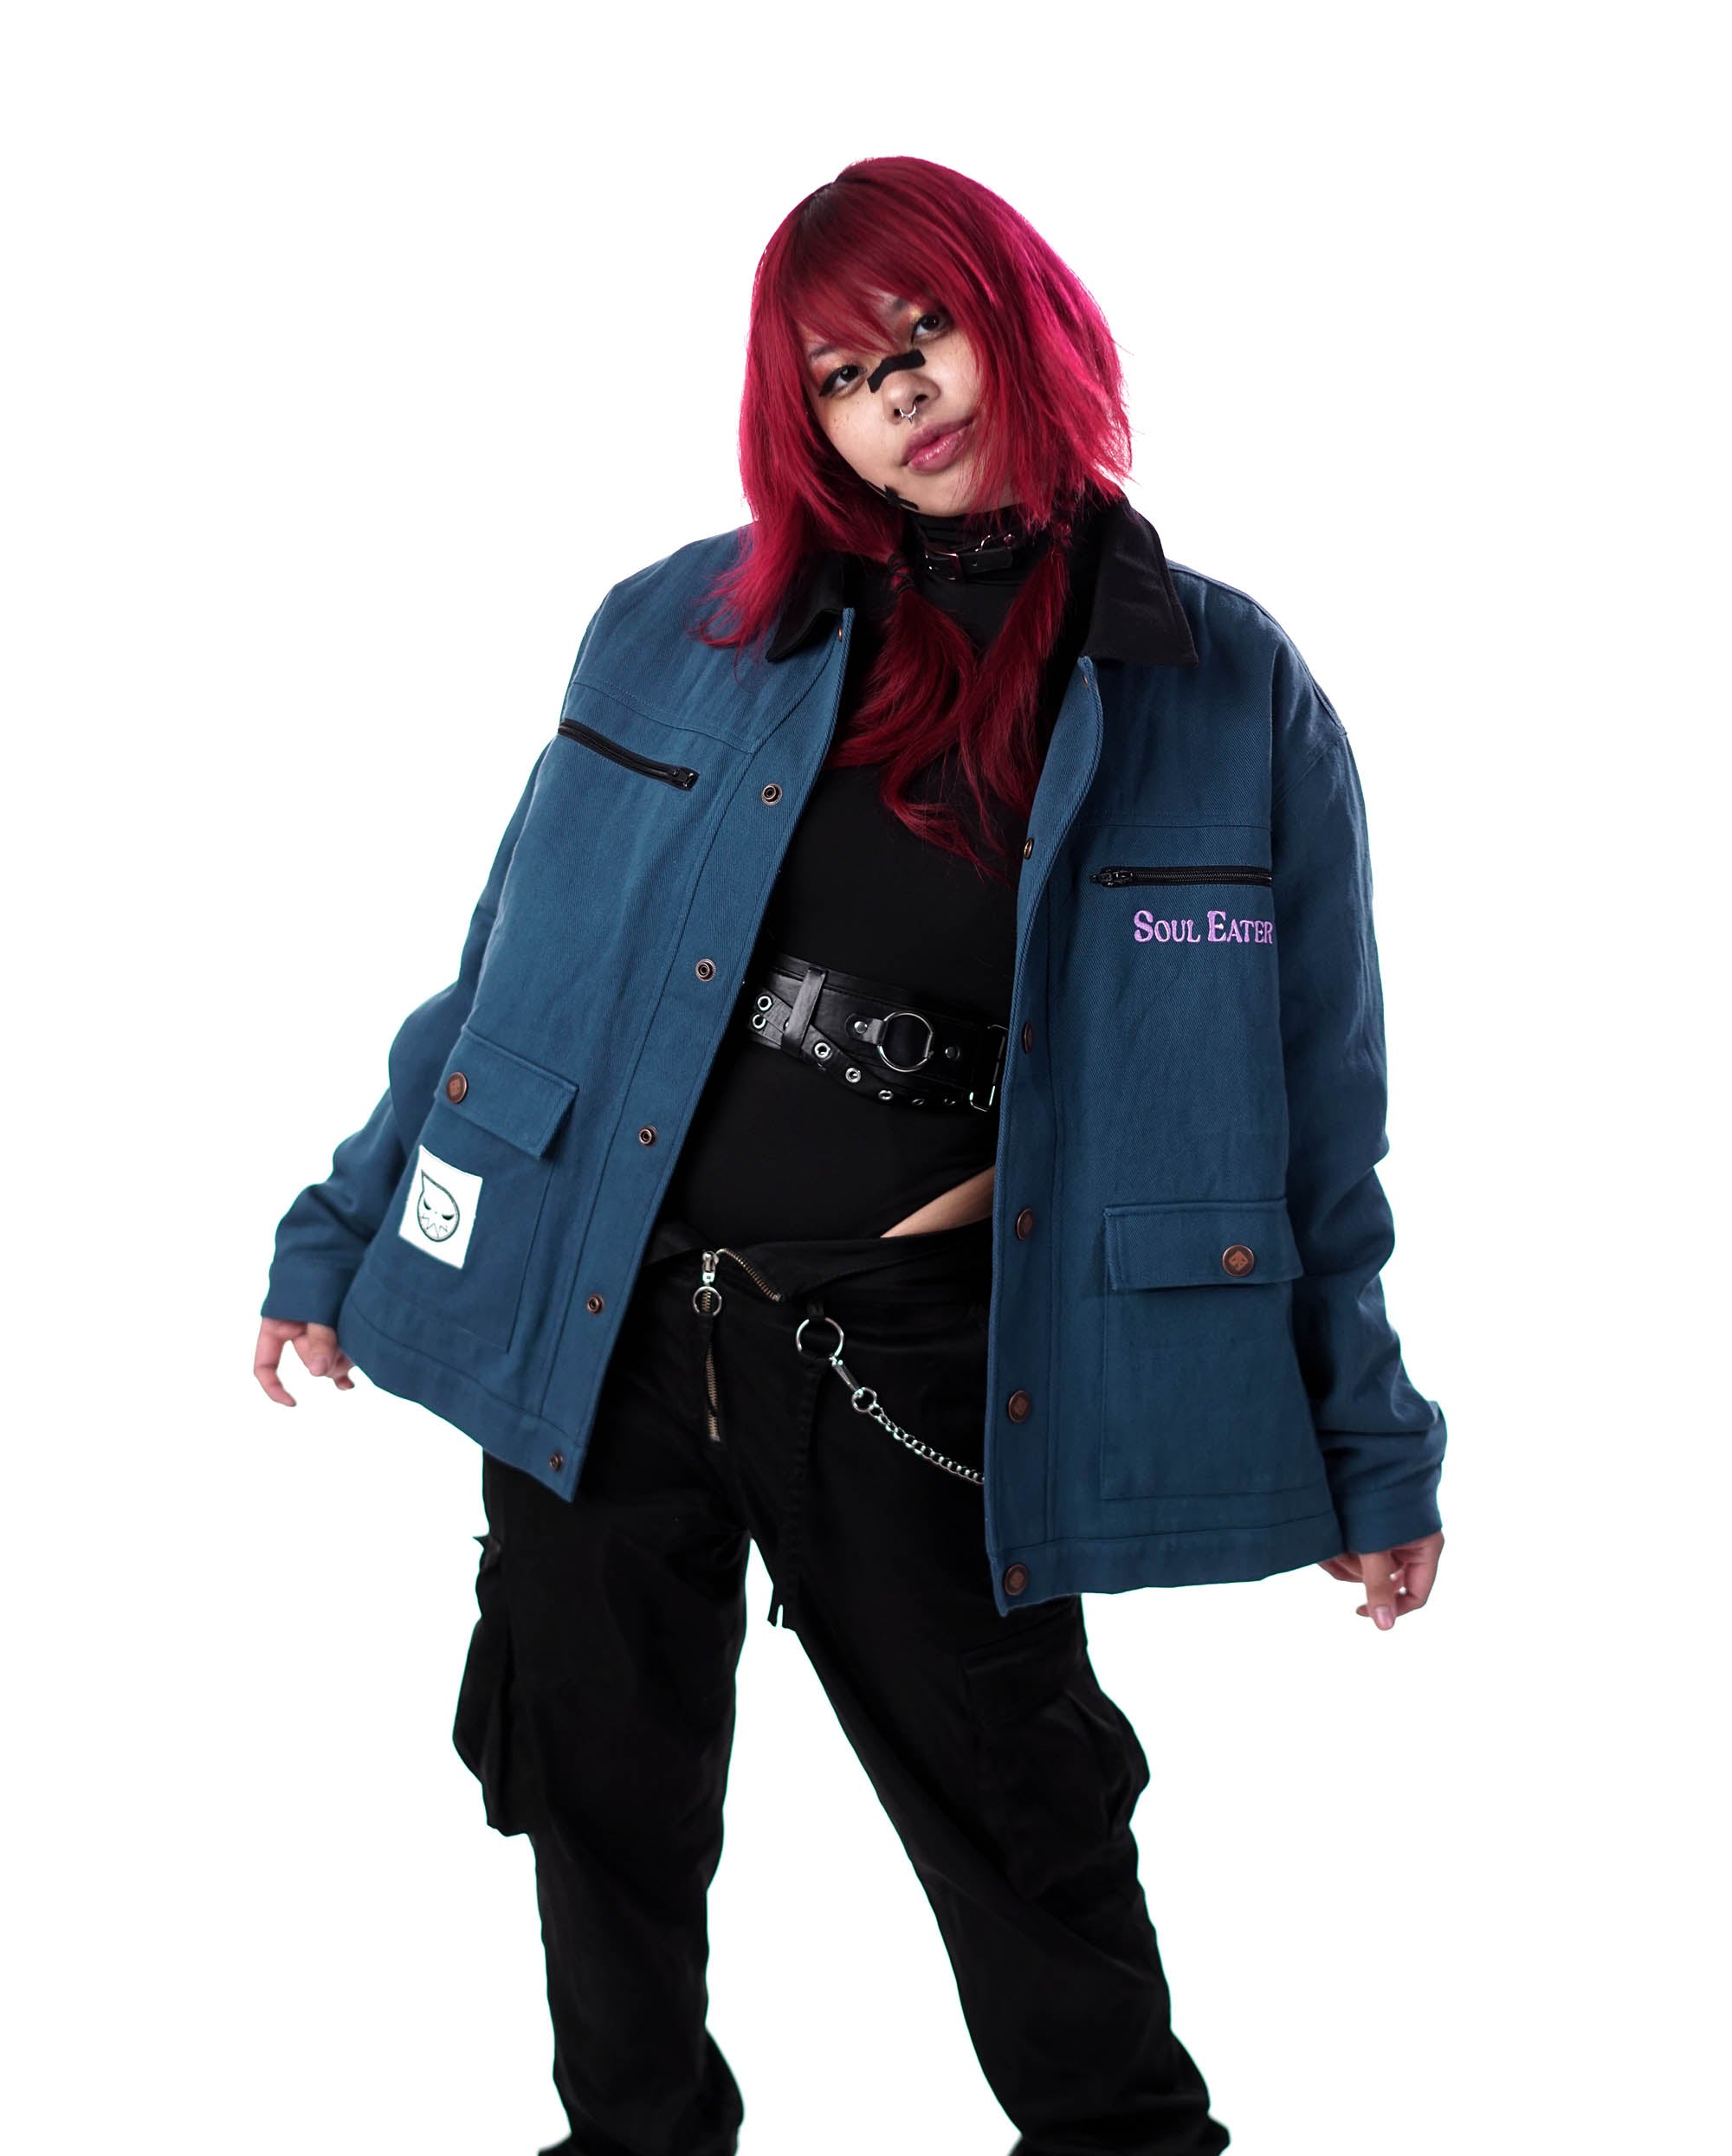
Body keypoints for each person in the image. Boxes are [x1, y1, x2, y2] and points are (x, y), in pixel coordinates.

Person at [254, 154, 1446, 2156]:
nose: (897, 393)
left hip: (908, 1362)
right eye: (837, 375)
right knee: (596, 1804)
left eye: (922, 332)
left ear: (1019, 323)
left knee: (1028, 1826)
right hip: (606, 1323)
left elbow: (1319, 1101)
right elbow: (515, 964)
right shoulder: (679, 626)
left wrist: (1369, 1435)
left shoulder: (1221, 688)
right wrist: (346, 1219)